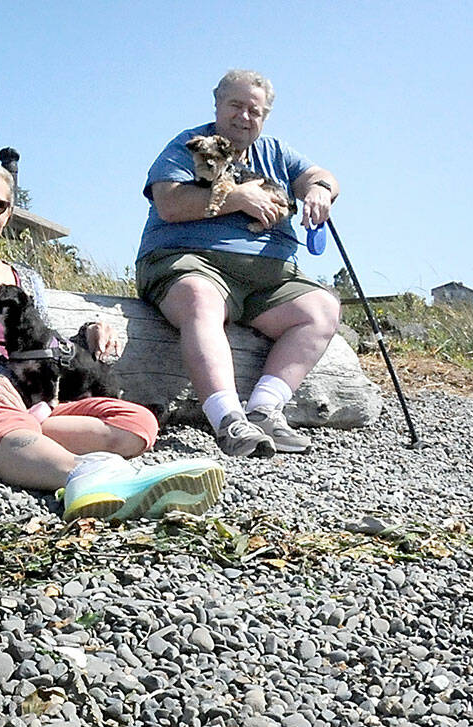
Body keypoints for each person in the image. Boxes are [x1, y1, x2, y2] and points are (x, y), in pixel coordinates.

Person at [0, 163, 224, 521]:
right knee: (7, 426)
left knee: (138, 422)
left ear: (8, 214)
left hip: (36, 404)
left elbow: (44, 344)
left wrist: (88, 333)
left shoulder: (25, 278)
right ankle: (85, 476)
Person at [136, 68, 340, 457]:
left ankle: (264, 409)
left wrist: (319, 190)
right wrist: (238, 199)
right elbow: (168, 201)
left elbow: (320, 174)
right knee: (200, 297)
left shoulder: (278, 154)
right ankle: (228, 419)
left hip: (270, 277)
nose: (244, 117)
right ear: (217, 104)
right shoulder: (190, 145)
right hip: (190, 261)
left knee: (322, 309)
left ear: (265, 117)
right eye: (235, 105)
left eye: (255, 111)